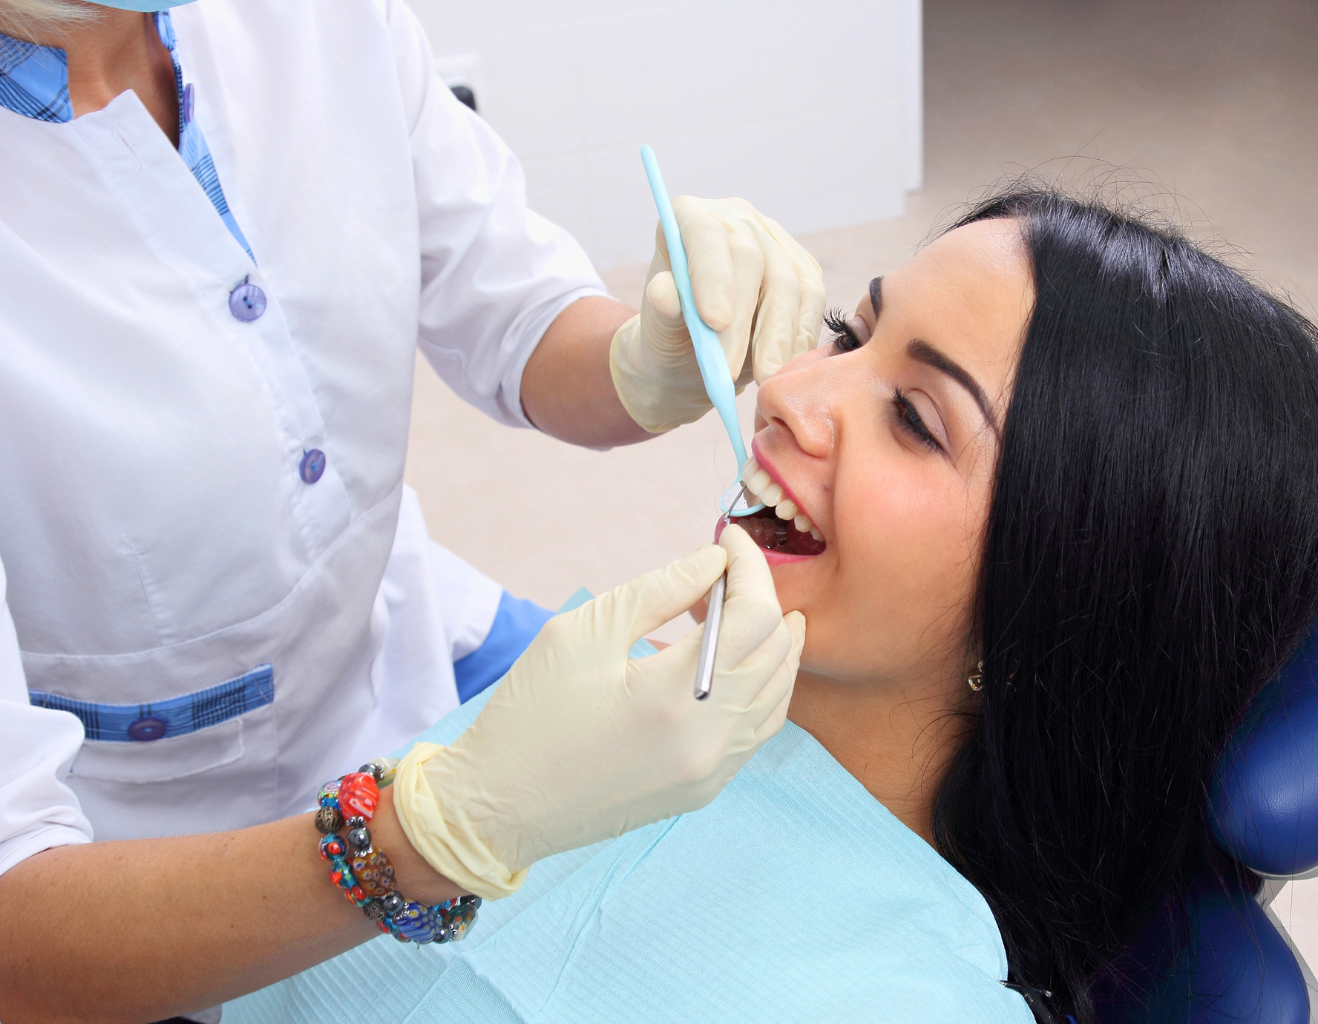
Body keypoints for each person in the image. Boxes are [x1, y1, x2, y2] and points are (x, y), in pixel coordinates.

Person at [228, 183, 1318, 1024]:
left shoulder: (908, 995)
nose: (786, 388)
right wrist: (422, 831)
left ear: (1056, 604)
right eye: (852, 334)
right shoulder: (595, 713)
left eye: (916, 418)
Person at [0, 0, 823, 1020]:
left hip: (398, 636)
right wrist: (431, 834)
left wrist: (634, 364)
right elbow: (16, 937)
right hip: (124, 854)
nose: (812, 402)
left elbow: (510, 307)